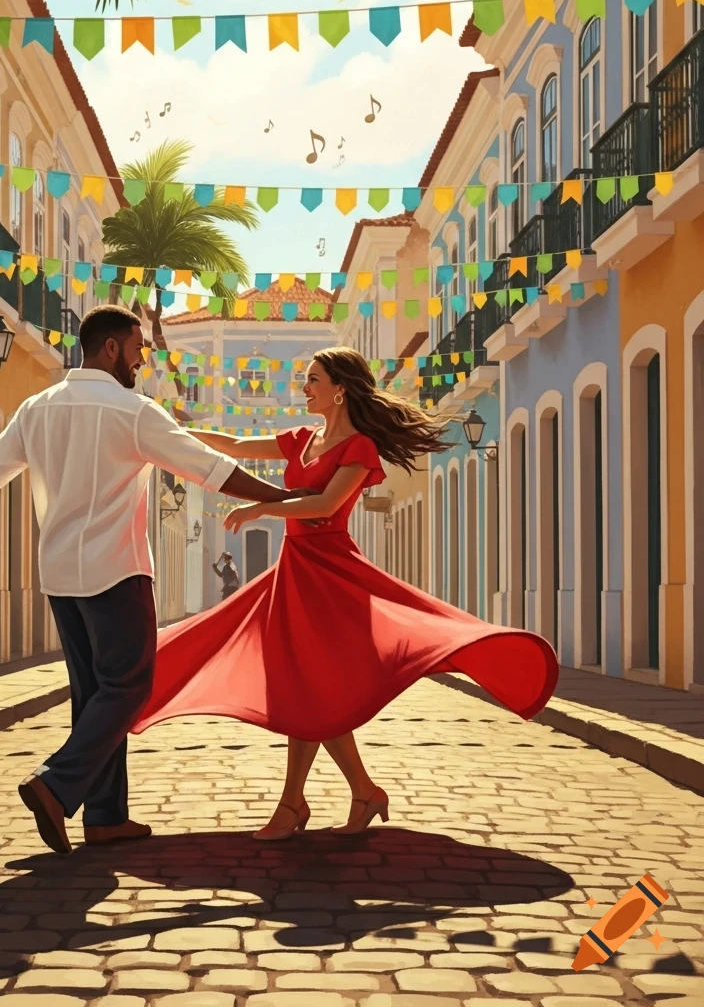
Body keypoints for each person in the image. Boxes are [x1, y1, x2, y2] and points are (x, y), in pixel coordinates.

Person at [132, 346, 559, 840]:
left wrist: (260, 510)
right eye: (304, 379)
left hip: (331, 573)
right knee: (308, 687)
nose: (305, 387)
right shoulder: (301, 441)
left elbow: (328, 503)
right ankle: (350, 794)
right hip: (295, 570)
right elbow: (231, 444)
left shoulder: (358, 448)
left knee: (309, 686)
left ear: (339, 388)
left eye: (313, 379)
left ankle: (301, 803)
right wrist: (166, 433)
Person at [0, 305, 315, 856]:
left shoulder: (37, 409)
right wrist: (286, 500)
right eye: (138, 348)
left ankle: (107, 818)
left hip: (60, 574)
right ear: (110, 348)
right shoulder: (134, 411)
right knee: (130, 686)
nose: (143, 359)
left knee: (94, 695)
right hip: (117, 572)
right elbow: (211, 469)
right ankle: (55, 784)